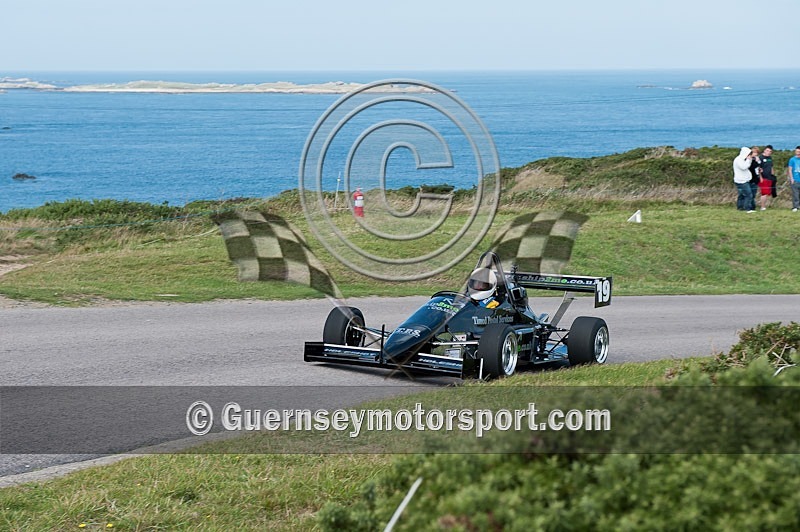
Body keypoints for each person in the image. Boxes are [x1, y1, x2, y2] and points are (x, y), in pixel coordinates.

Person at [733, 146, 755, 212]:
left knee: (742, 195)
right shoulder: (738, 160)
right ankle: (747, 208)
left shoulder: (742, 160)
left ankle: (740, 207)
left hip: (743, 180)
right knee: (748, 194)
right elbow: (744, 167)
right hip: (741, 181)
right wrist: (748, 160)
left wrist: (749, 160)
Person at [759, 145, 777, 210]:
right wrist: (760, 177)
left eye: (770, 151)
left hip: (770, 177)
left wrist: (773, 175)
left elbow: (771, 167)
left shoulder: (770, 158)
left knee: (768, 192)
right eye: (767, 150)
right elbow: (758, 168)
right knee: (764, 192)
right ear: (764, 150)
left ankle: (765, 205)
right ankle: (762, 206)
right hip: (763, 177)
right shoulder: (760, 158)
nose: (768, 152)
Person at [748, 146, 762, 212]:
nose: (754, 154)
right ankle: (750, 207)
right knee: (749, 194)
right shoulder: (749, 160)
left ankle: (752, 207)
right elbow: (751, 167)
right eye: (753, 152)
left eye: (756, 152)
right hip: (750, 178)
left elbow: (758, 168)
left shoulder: (757, 160)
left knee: (753, 194)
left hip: (755, 178)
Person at [787, 146, 800, 212]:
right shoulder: (792, 159)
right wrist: (791, 178)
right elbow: (790, 169)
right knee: (795, 194)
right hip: (795, 179)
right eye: (797, 151)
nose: (798, 153)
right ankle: (795, 206)